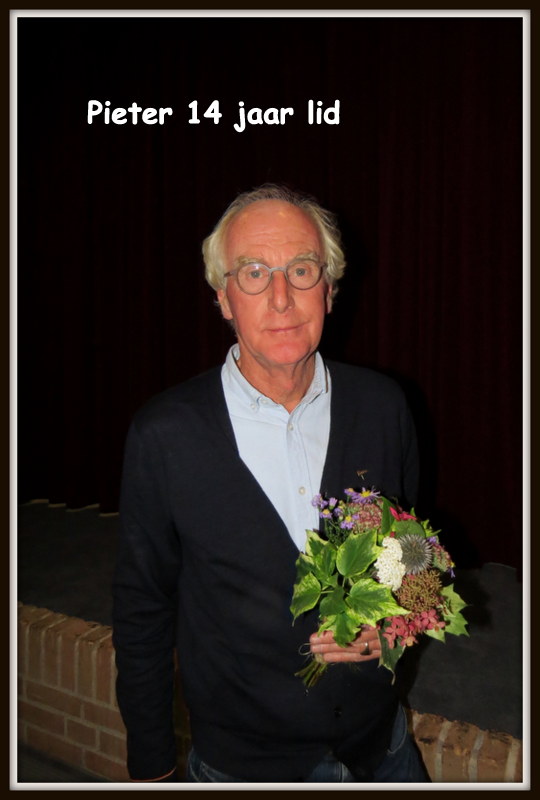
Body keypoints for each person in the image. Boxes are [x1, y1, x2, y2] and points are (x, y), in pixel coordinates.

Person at [112, 184, 429, 783]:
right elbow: (142, 608)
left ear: (329, 289)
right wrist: (151, 768)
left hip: (381, 751)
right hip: (245, 767)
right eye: (254, 273)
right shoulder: (165, 434)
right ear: (224, 298)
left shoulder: (383, 406)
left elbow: (414, 551)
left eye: (301, 270)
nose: (281, 298)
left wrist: (395, 622)